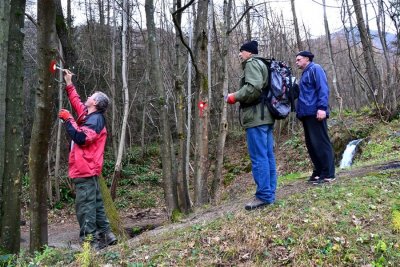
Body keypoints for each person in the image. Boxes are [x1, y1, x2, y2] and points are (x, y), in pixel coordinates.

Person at [58, 69, 117, 249]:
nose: (88, 96)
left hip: (85, 169)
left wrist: (68, 120)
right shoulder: (90, 116)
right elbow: (77, 103)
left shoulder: (96, 120)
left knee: (85, 207)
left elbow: (82, 138)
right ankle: (106, 236)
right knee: (97, 205)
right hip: (87, 169)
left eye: (91, 96)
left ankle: (89, 245)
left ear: (96, 102)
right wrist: (69, 83)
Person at [225, 40, 277, 210]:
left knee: (258, 157)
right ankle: (269, 193)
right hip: (266, 117)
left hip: (256, 118)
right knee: (267, 156)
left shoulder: (252, 63)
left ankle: (263, 196)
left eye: (241, 51)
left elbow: (253, 88)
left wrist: (235, 96)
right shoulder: (263, 64)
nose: (239, 54)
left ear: (249, 52)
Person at [295, 51, 335, 184]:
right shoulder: (305, 73)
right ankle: (318, 171)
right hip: (306, 114)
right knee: (311, 144)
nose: (297, 62)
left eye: (299, 59)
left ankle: (328, 173)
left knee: (321, 142)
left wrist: (322, 108)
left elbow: (323, 88)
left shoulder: (315, 69)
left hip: (315, 112)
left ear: (307, 59)